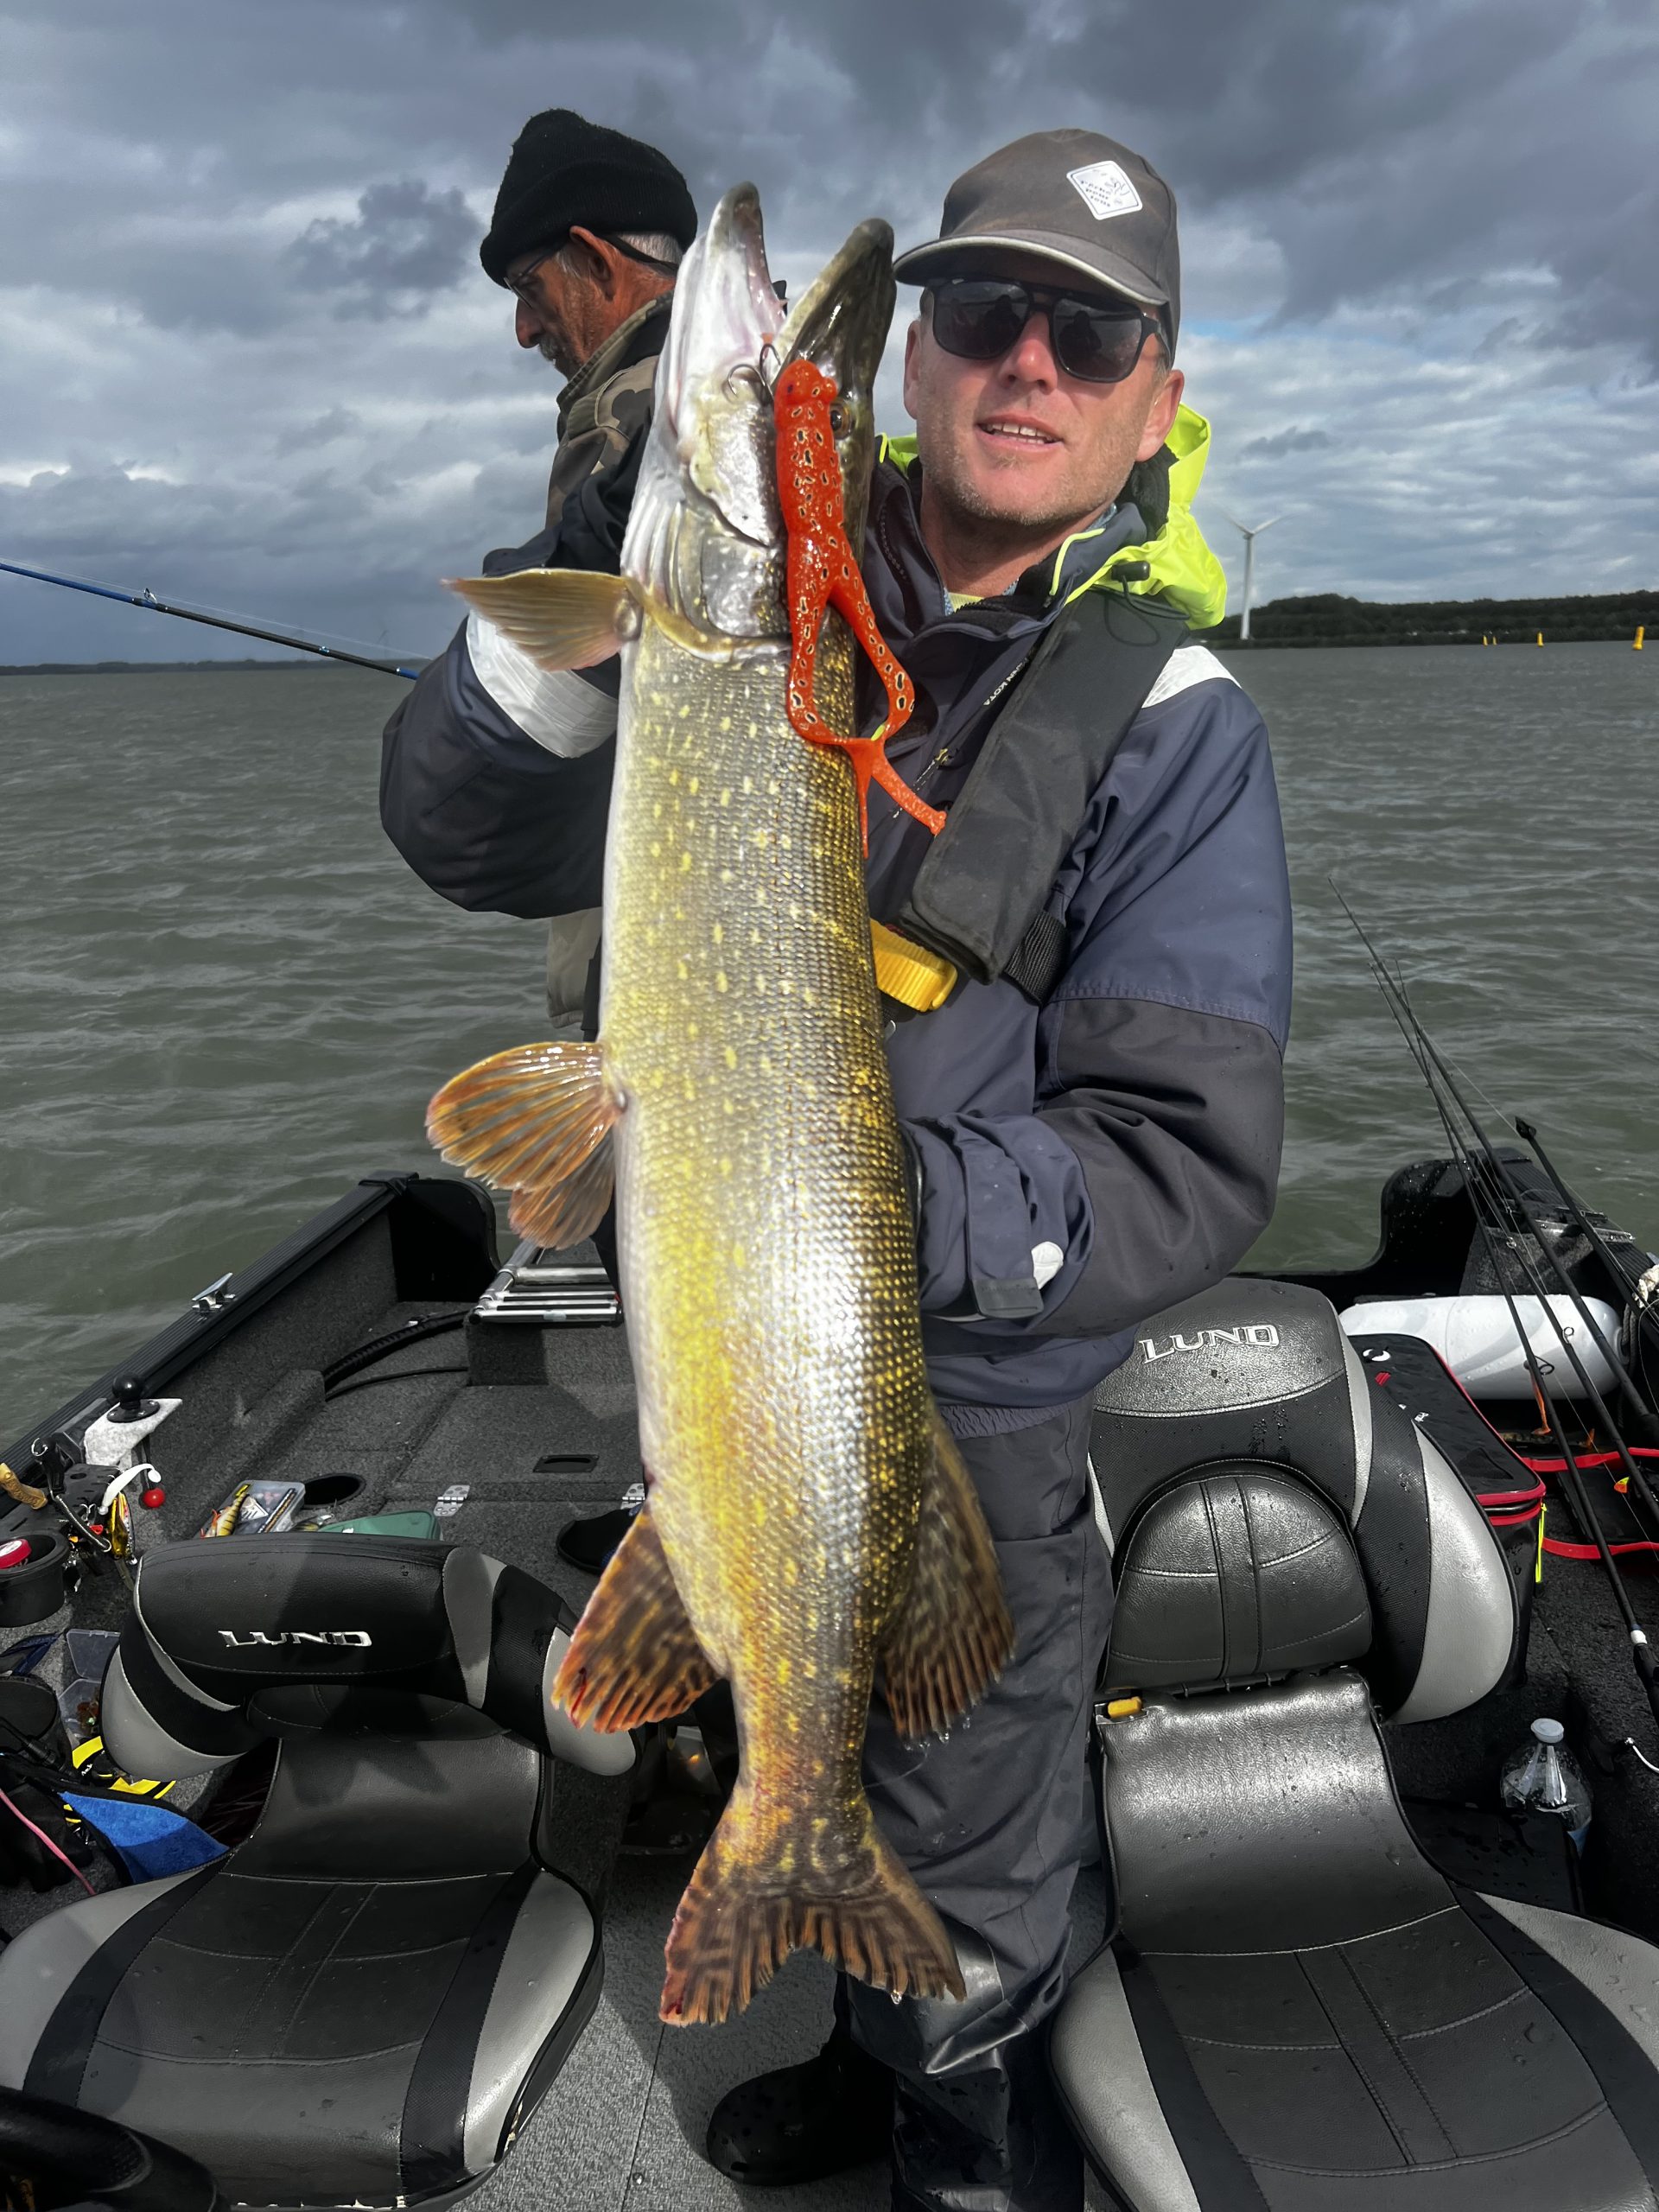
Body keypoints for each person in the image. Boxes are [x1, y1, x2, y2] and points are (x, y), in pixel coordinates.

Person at [381, 126, 1292, 2212]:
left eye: (1091, 329)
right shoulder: (741, 589)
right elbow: (456, 833)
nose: (1025, 362)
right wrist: (574, 614)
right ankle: (852, 2041)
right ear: (915, 361)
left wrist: (859, 1207)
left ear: (1156, 388)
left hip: (974, 1426)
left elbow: (1179, 1164)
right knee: (758, 1732)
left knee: (965, 1855)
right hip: (713, 1364)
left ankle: (951, 2119)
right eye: (983, 312)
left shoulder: (1176, 722)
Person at [381, 107, 695, 1028]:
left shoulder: (630, 416)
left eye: (529, 287)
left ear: (598, 261)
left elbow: (446, 813)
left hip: (661, 984)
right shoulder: (758, 392)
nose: (523, 330)